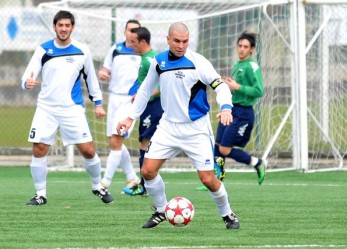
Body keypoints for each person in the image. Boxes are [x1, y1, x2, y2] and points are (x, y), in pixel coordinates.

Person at [117, 22, 240, 230]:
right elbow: (145, 91)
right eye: (176, 41)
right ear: (167, 40)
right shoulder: (159, 62)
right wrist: (130, 117)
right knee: (147, 171)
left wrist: (226, 108)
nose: (181, 45)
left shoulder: (198, 62)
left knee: (208, 179)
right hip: (168, 127)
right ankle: (161, 210)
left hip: (196, 129)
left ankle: (228, 214)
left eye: (185, 41)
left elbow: (220, 86)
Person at [21, 10, 113, 205]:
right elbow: (28, 76)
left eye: (67, 25)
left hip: (72, 109)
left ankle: (98, 186)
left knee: (88, 150)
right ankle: (40, 194)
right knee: (39, 149)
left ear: (72, 28)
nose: (63, 29)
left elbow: (91, 79)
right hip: (46, 108)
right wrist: (26, 83)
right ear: (54, 27)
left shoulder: (82, 50)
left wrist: (98, 103)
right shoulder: (43, 50)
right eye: (60, 25)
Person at [214, 31, 266, 185]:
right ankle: (217, 181)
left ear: (252, 49)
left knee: (224, 149)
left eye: (245, 46)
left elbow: (259, 91)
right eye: (240, 46)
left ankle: (257, 163)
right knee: (217, 145)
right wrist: (229, 83)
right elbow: (238, 87)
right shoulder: (238, 64)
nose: (242, 49)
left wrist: (236, 86)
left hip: (243, 113)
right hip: (232, 109)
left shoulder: (252, 66)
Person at [98, 20, 142, 194]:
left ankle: (104, 183)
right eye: (130, 30)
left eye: (136, 30)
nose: (132, 33)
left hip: (130, 101)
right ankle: (132, 177)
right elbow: (105, 68)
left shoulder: (142, 52)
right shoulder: (115, 49)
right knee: (114, 142)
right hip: (114, 98)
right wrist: (103, 73)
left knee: (116, 141)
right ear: (124, 31)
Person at [122, 27, 163, 196]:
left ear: (143, 42)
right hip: (148, 106)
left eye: (133, 42)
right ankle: (146, 183)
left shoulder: (149, 60)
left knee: (145, 145)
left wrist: (143, 95)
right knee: (147, 145)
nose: (130, 45)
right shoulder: (148, 58)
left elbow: (161, 86)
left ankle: (145, 186)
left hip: (153, 107)